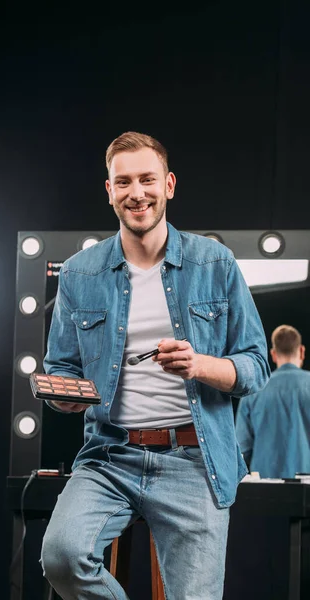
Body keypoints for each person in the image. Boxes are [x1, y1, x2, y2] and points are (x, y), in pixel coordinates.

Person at [40, 131, 270, 600]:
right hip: (110, 457)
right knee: (62, 557)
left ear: (168, 184)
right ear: (109, 191)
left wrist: (199, 365)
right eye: (123, 182)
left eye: (147, 179)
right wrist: (64, 396)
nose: (136, 193)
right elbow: (61, 369)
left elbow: (255, 366)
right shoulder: (80, 273)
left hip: (193, 459)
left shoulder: (215, 263)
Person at [236, 324, 310, 479]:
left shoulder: (254, 389)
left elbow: (242, 448)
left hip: (266, 488)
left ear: (273, 354)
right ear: (302, 351)